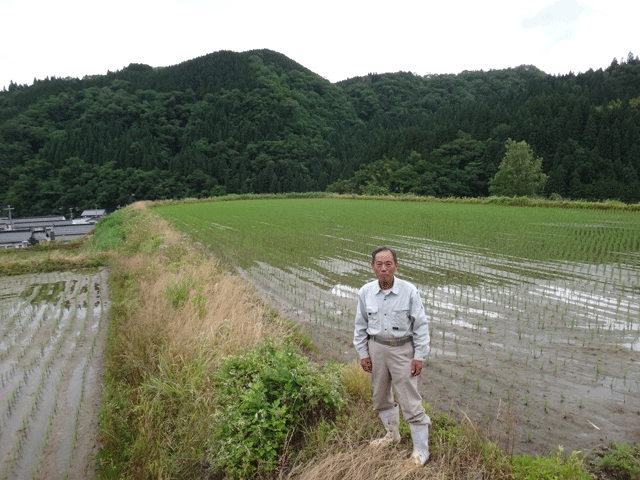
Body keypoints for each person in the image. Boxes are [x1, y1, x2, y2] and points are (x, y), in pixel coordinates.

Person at [353, 246, 431, 466]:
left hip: (403, 350)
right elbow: (360, 326)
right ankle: (392, 435)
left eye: (388, 264)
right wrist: (363, 353)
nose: (384, 269)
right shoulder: (365, 292)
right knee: (379, 396)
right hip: (376, 348)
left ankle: (421, 450)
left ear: (396, 265)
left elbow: (421, 326)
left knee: (410, 400)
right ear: (372, 267)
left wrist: (419, 356)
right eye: (379, 264)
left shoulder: (409, 291)